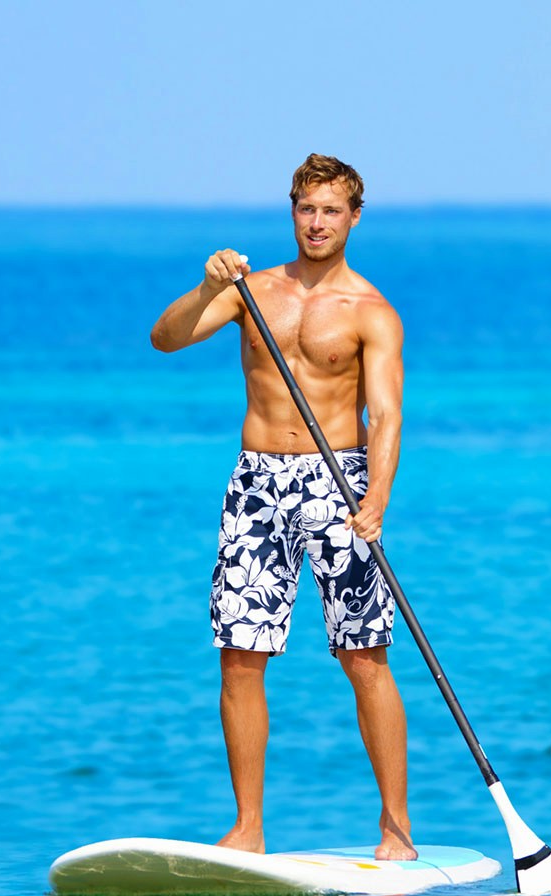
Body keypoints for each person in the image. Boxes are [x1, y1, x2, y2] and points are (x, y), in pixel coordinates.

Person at [149, 154, 414, 860]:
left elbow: (387, 415)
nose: (317, 223)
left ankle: (396, 826)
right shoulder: (252, 291)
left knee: (363, 655)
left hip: (340, 483)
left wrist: (377, 497)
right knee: (240, 656)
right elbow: (165, 339)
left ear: (354, 218)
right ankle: (248, 828)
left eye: (331, 211)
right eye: (307, 209)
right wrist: (206, 287)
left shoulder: (372, 312)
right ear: (292, 213)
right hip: (257, 483)